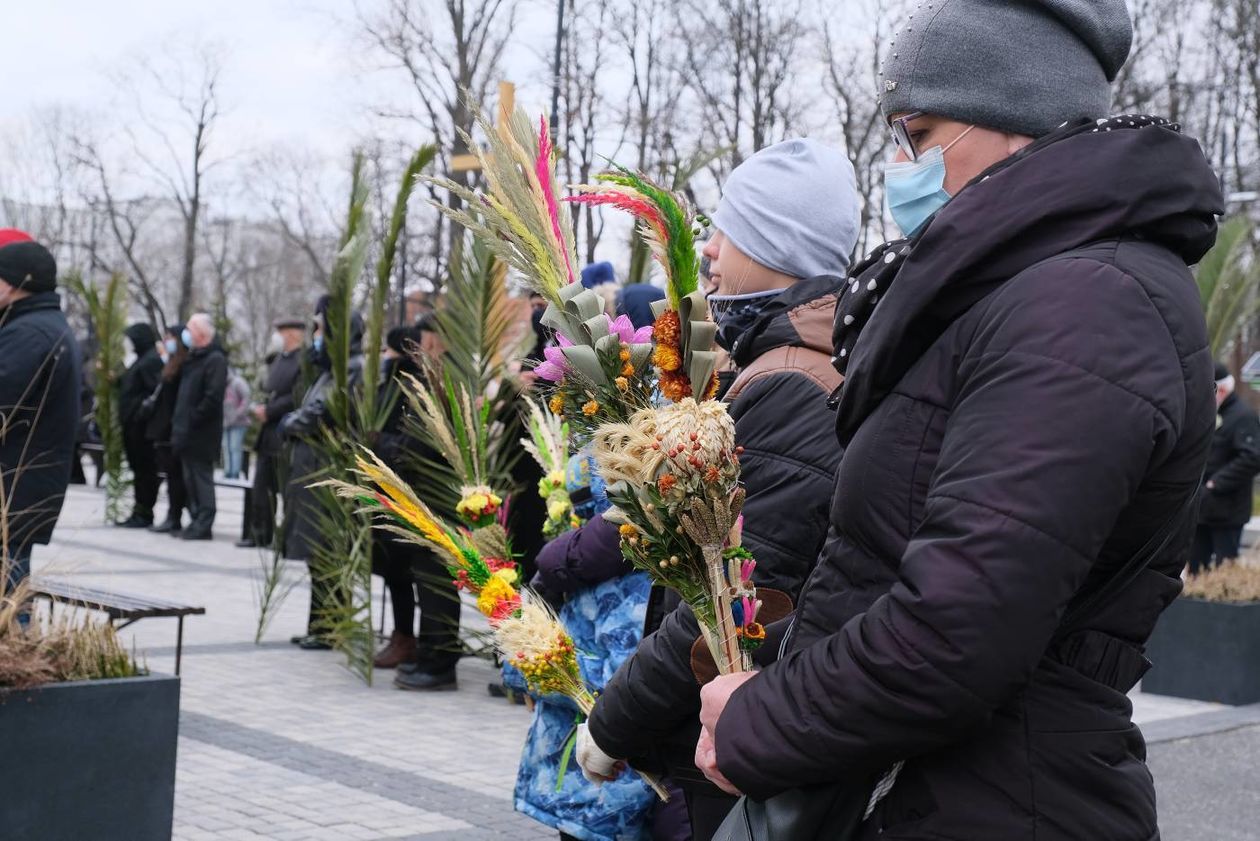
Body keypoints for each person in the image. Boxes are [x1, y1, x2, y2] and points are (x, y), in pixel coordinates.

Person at [690, 4, 1223, 840]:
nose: (901, 165)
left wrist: (761, 719)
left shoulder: (1087, 306)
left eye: (919, 133)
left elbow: (955, 633)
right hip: (958, 786)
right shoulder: (1026, 293)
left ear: (1017, 121)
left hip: (1005, 799)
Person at [577, 138, 859, 838]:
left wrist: (612, 722)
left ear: (776, 246)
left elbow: (736, 601)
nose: (710, 252)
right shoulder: (784, 361)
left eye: (729, 231)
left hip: (732, 746)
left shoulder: (793, 383)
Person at [0, 229, 81, 601]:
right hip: (22, 487)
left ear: (14, 284)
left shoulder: (30, 333)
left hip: (14, 489)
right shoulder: (36, 326)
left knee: (8, 596)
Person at [280, 297, 365, 650]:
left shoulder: (352, 367)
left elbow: (320, 411)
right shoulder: (333, 368)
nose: (315, 335)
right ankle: (320, 623)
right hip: (313, 467)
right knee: (318, 554)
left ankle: (332, 626)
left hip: (327, 468)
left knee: (328, 550)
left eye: (320, 328)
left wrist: (289, 422)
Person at [390, 319, 465, 689]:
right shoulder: (440, 374)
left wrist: (396, 452)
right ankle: (430, 652)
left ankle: (439, 661)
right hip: (429, 494)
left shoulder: (445, 377)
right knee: (428, 581)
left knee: (437, 583)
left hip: (438, 495)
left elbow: (429, 439)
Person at [237, 318, 304, 549]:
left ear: (294, 335)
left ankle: (284, 538)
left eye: (283, 332)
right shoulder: (279, 360)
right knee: (261, 489)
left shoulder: (301, 361)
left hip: (284, 432)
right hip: (267, 434)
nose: (278, 337)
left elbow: (296, 396)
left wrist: (271, 410)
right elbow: (270, 389)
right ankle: (259, 533)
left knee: (285, 490)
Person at [1191, 363, 1260, 573]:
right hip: (1202, 509)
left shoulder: (1243, 416)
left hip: (1228, 510)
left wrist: (1215, 483)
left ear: (1220, 390)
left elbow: (1252, 458)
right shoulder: (1211, 414)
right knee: (1196, 567)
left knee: (1225, 568)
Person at [171, 313, 227, 541]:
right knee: (189, 479)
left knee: (201, 479)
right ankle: (195, 519)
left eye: (191, 328)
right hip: (186, 432)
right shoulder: (194, 359)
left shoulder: (215, 360)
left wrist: (193, 418)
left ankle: (204, 522)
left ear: (203, 333)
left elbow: (212, 397)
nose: (187, 333)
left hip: (201, 434)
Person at [116, 323, 164, 527]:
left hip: (141, 428)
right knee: (138, 470)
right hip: (133, 426)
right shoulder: (141, 359)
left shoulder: (151, 360)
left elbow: (154, 392)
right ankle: (139, 510)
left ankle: (144, 512)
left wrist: (137, 412)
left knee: (145, 471)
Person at [145, 326, 190, 535]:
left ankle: (176, 516)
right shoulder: (171, 363)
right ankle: (173, 515)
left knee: (176, 476)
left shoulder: (183, 365)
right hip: (163, 427)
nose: (166, 341)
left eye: (170, 337)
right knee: (171, 475)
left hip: (172, 427)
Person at [220, 367, 251, 480]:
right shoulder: (221, 384)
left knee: (234, 447)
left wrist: (238, 414)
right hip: (225, 422)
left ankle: (235, 472)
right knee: (226, 448)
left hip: (239, 422)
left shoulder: (238, 382)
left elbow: (246, 399)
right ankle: (228, 471)